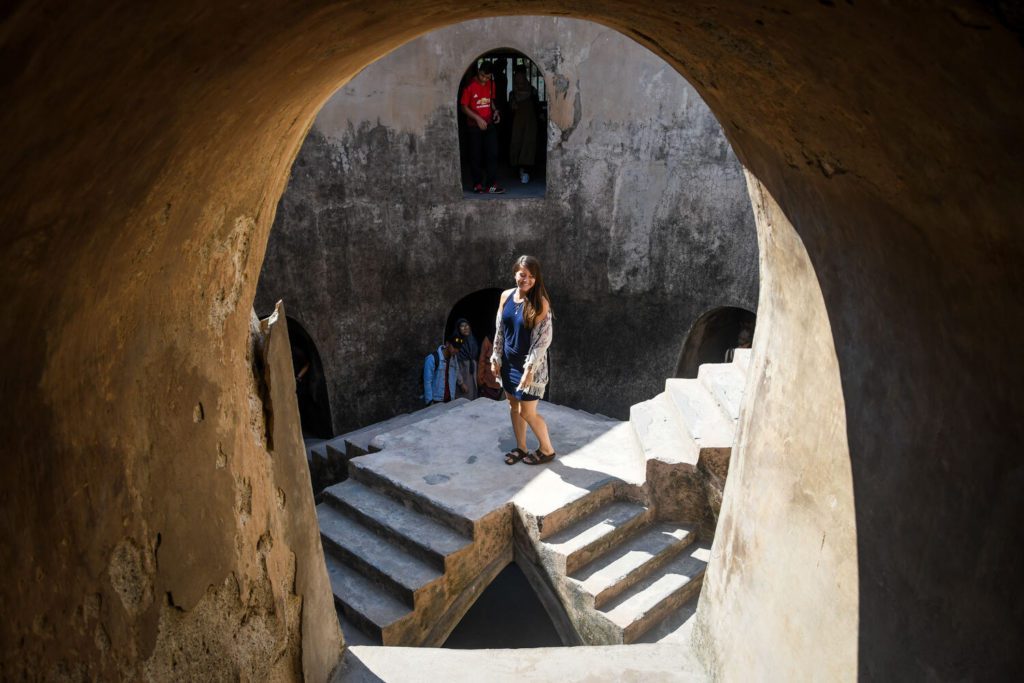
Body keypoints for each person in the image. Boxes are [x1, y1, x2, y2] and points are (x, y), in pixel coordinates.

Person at [490, 255, 556, 465]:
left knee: (528, 412)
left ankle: (547, 450)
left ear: (536, 278)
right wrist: (495, 357)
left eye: (531, 276)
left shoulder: (540, 304)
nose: (526, 279)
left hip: (531, 368)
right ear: (515, 274)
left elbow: (541, 343)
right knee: (513, 406)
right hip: (509, 363)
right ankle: (521, 447)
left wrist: (528, 372)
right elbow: (500, 330)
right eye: (522, 274)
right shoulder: (505, 296)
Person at [460, 63, 505, 194]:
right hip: (474, 127)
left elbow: (490, 100)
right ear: (478, 71)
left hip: (489, 125)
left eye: (487, 77)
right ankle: (477, 184)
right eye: (482, 75)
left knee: (492, 154)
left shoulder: (492, 84)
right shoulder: (469, 85)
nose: (484, 79)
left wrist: (495, 111)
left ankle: (491, 185)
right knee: (476, 156)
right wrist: (477, 118)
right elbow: (463, 107)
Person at [509, 67, 538, 184]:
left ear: (525, 77)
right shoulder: (512, 93)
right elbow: (510, 108)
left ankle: (526, 171)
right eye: (517, 78)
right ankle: (518, 170)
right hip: (516, 124)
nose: (519, 81)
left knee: (528, 144)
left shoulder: (533, 91)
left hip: (530, 123)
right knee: (517, 144)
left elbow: (537, 107)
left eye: (521, 77)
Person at [423, 333, 463, 405]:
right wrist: (429, 402)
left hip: (450, 399)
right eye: (454, 347)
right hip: (436, 400)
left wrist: (461, 383)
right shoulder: (432, 359)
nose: (456, 350)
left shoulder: (454, 358)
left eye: (458, 348)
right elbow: (427, 381)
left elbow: (456, 372)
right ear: (447, 344)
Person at [454, 318, 479, 400]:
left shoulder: (473, 341)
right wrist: (461, 383)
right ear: (458, 329)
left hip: (473, 382)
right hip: (463, 382)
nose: (465, 328)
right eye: (462, 326)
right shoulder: (457, 343)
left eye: (467, 325)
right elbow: (454, 365)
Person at [477, 335, 503, 400]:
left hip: (502, 382)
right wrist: (480, 379)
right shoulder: (488, 340)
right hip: (488, 381)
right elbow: (482, 361)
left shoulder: (506, 338)